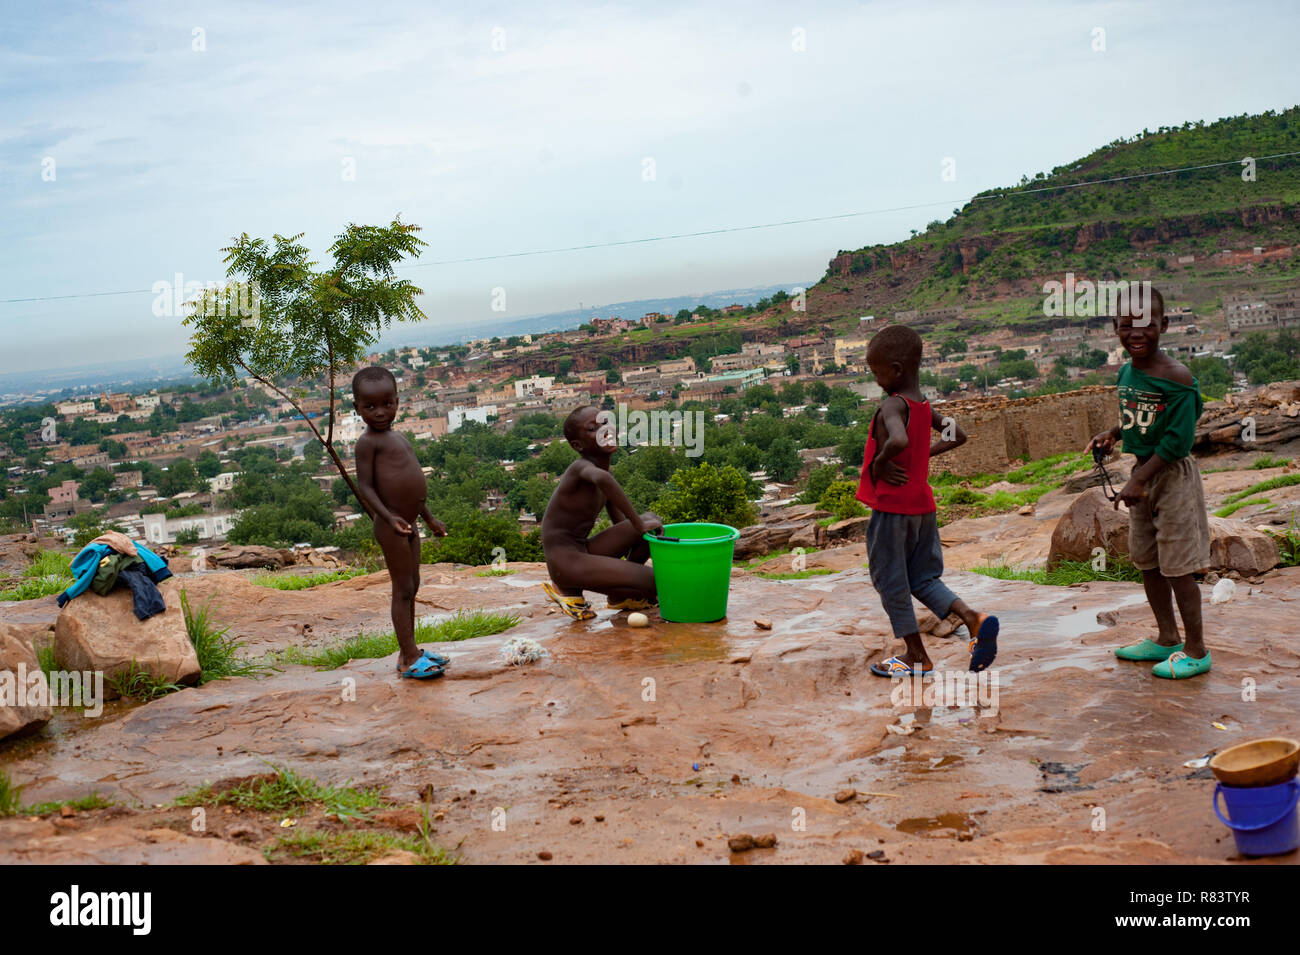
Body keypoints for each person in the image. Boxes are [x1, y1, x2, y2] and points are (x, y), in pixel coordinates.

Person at [856, 325, 999, 676]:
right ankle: (973, 618)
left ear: (897, 369)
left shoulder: (892, 405)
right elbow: (959, 435)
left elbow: (899, 440)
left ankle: (916, 656)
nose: (876, 380)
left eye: (877, 372)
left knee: (890, 581)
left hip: (892, 510)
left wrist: (881, 461)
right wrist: (926, 453)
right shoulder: (923, 407)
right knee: (922, 577)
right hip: (923, 508)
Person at [1088, 285, 1211, 679]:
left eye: (1146, 325)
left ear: (1165, 325)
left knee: (1178, 566)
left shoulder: (1177, 377)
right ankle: (1165, 637)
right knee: (1149, 561)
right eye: (1126, 326)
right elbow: (1137, 420)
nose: (1136, 334)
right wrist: (1112, 435)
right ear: (1115, 327)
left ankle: (1196, 649)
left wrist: (1139, 478)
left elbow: (1177, 440)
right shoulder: (1128, 371)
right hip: (1142, 473)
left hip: (1170, 477)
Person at [352, 366, 449, 679]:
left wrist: (430, 518)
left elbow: (414, 486)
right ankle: (408, 656)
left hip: (409, 523)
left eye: (387, 404)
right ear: (357, 409)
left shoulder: (399, 437)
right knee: (402, 589)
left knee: (414, 585)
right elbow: (365, 486)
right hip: (391, 526)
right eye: (370, 407)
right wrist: (387, 515)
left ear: (397, 401)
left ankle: (411, 651)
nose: (380, 412)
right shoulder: (367, 443)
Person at [540, 405, 662, 619]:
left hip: (583, 550)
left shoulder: (604, 472)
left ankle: (620, 596)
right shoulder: (582, 469)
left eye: (605, 422)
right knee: (657, 581)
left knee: (653, 522)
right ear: (578, 445)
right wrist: (638, 526)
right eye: (592, 428)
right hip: (566, 562)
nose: (604, 430)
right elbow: (604, 480)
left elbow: (620, 524)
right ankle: (567, 588)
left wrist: (639, 533)